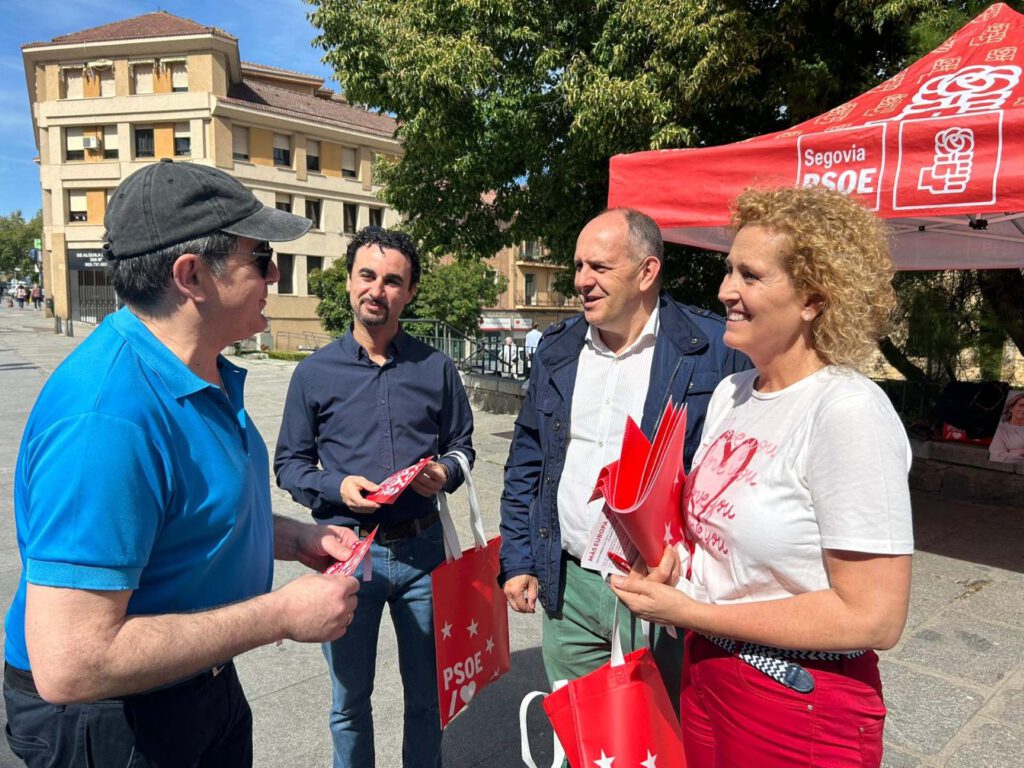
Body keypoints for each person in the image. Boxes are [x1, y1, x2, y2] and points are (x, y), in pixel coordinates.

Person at [3, 159, 361, 767]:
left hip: (197, 682)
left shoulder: (196, 371)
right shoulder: (106, 420)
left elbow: (187, 515)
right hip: (115, 719)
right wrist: (280, 615)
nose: (275, 273)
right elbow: (72, 661)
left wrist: (294, 537)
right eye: (261, 257)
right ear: (191, 275)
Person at [610, 185, 914, 767]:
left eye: (750, 276)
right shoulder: (733, 391)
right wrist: (674, 571)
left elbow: (874, 616)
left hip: (796, 700)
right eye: (730, 271)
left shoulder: (847, 411)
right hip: (707, 670)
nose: (726, 290)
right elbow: (722, 541)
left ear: (813, 300)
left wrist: (693, 614)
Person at [499, 207, 749, 706]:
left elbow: (734, 481)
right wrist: (518, 559)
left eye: (599, 267)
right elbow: (528, 459)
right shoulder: (557, 349)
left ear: (646, 272)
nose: (581, 281)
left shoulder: (713, 350)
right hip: (568, 588)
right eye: (578, 266)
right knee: (581, 735)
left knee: (660, 733)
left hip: (660, 593)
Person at [275, 225, 475, 768]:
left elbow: (463, 447)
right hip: (348, 552)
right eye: (367, 275)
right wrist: (334, 486)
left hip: (423, 555)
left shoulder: (437, 368)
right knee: (348, 703)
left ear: (409, 292)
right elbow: (289, 465)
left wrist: (444, 471)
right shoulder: (314, 373)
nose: (377, 290)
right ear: (348, 282)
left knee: (427, 700)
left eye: (392, 281)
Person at [990, 391, 1024, 462]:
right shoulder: (1000, 430)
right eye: (1021, 405)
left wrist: (1012, 452)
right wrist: (1021, 452)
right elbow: (997, 457)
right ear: (1011, 408)